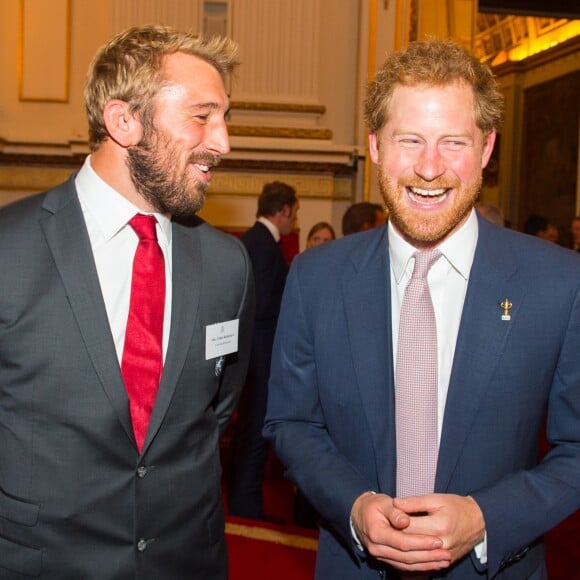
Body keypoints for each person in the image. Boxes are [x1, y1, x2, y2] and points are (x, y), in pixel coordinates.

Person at [264, 38, 580, 579]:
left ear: (485, 149)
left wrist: (485, 516)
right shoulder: (315, 279)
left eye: (453, 142)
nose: (429, 168)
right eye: (409, 140)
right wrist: (356, 507)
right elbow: (291, 424)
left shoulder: (558, 282)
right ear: (376, 147)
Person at [0, 25, 255, 580]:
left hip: (187, 560)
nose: (223, 142)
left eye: (225, 118)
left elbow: (215, 412)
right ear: (123, 121)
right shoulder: (8, 250)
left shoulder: (226, 266)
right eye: (202, 116)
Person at [228, 181, 299, 520]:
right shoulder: (265, 245)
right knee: (254, 434)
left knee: (249, 433)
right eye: (294, 212)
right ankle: (246, 506)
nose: (295, 220)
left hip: (250, 355)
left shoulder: (253, 240)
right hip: (260, 356)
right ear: (283, 210)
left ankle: (244, 502)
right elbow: (261, 305)